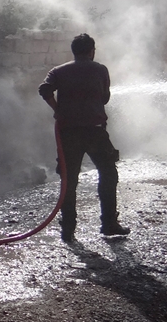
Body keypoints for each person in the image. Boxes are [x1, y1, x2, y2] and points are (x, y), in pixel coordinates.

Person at [38, 33, 130, 242]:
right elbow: (105, 98)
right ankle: (108, 223)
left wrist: (58, 109)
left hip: (68, 132)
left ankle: (68, 229)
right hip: (95, 131)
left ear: (74, 51)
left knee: (69, 180)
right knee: (108, 174)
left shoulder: (58, 71)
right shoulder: (100, 69)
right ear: (91, 51)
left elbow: (44, 90)